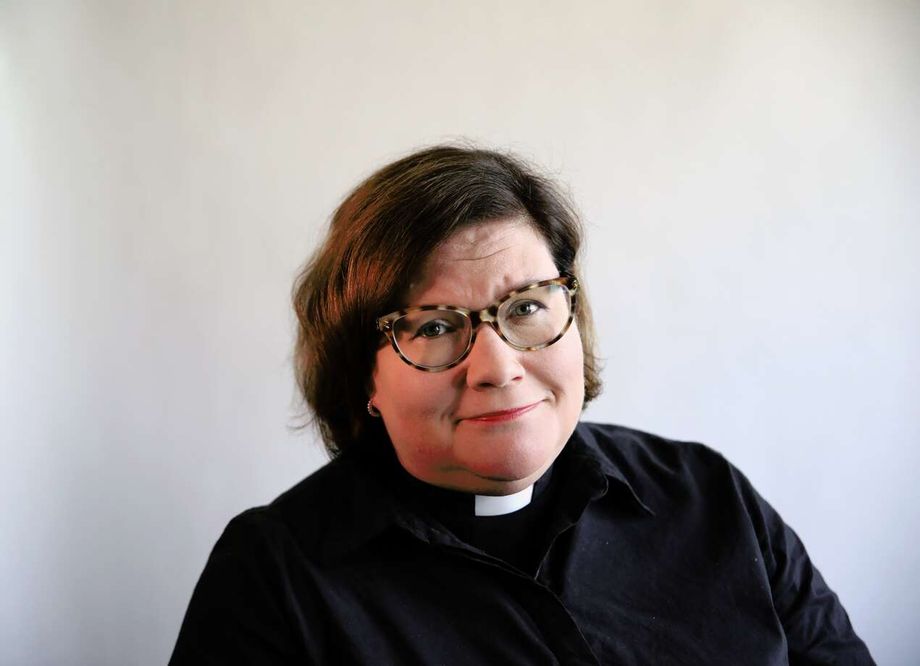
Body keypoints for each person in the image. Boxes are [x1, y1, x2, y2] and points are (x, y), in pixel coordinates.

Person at [170, 145, 874, 665]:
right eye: (434, 327)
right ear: (364, 378)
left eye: (527, 306)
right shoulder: (275, 574)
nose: (497, 367)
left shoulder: (709, 497)